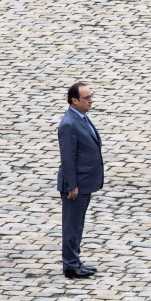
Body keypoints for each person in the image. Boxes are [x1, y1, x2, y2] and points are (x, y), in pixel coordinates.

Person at [57, 82, 104, 278]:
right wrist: (72, 185)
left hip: (86, 181)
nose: (91, 100)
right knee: (72, 225)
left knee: (78, 224)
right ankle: (70, 265)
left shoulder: (82, 118)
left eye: (91, 96)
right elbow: (68, 158)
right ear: (74, 101)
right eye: (86, 98)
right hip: (76, 184)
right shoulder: (69, 124)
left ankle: (75, 261)